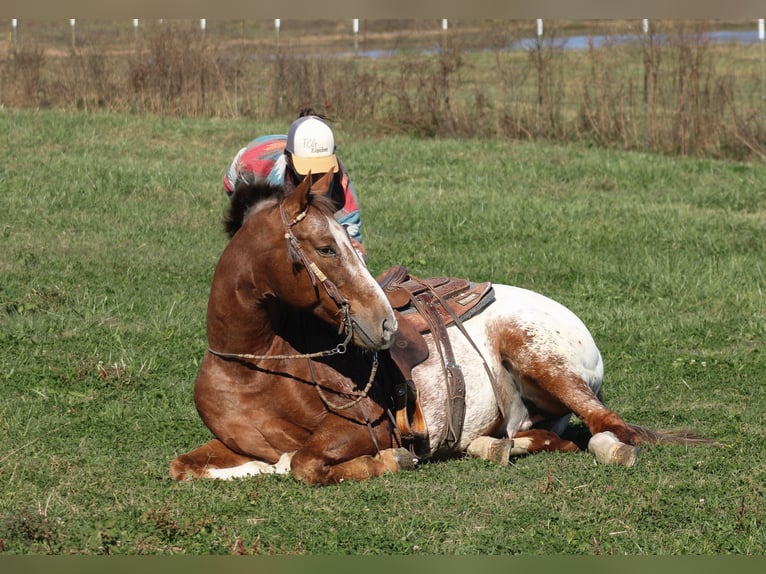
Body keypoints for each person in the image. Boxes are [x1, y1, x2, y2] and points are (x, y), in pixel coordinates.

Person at [223, 109, 363, 246]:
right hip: (245, 179)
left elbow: (352, 241)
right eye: (306, 169)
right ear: (288, 158)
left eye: (322, 169)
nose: (314, 177)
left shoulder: (339, 180)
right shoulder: (252, 164)